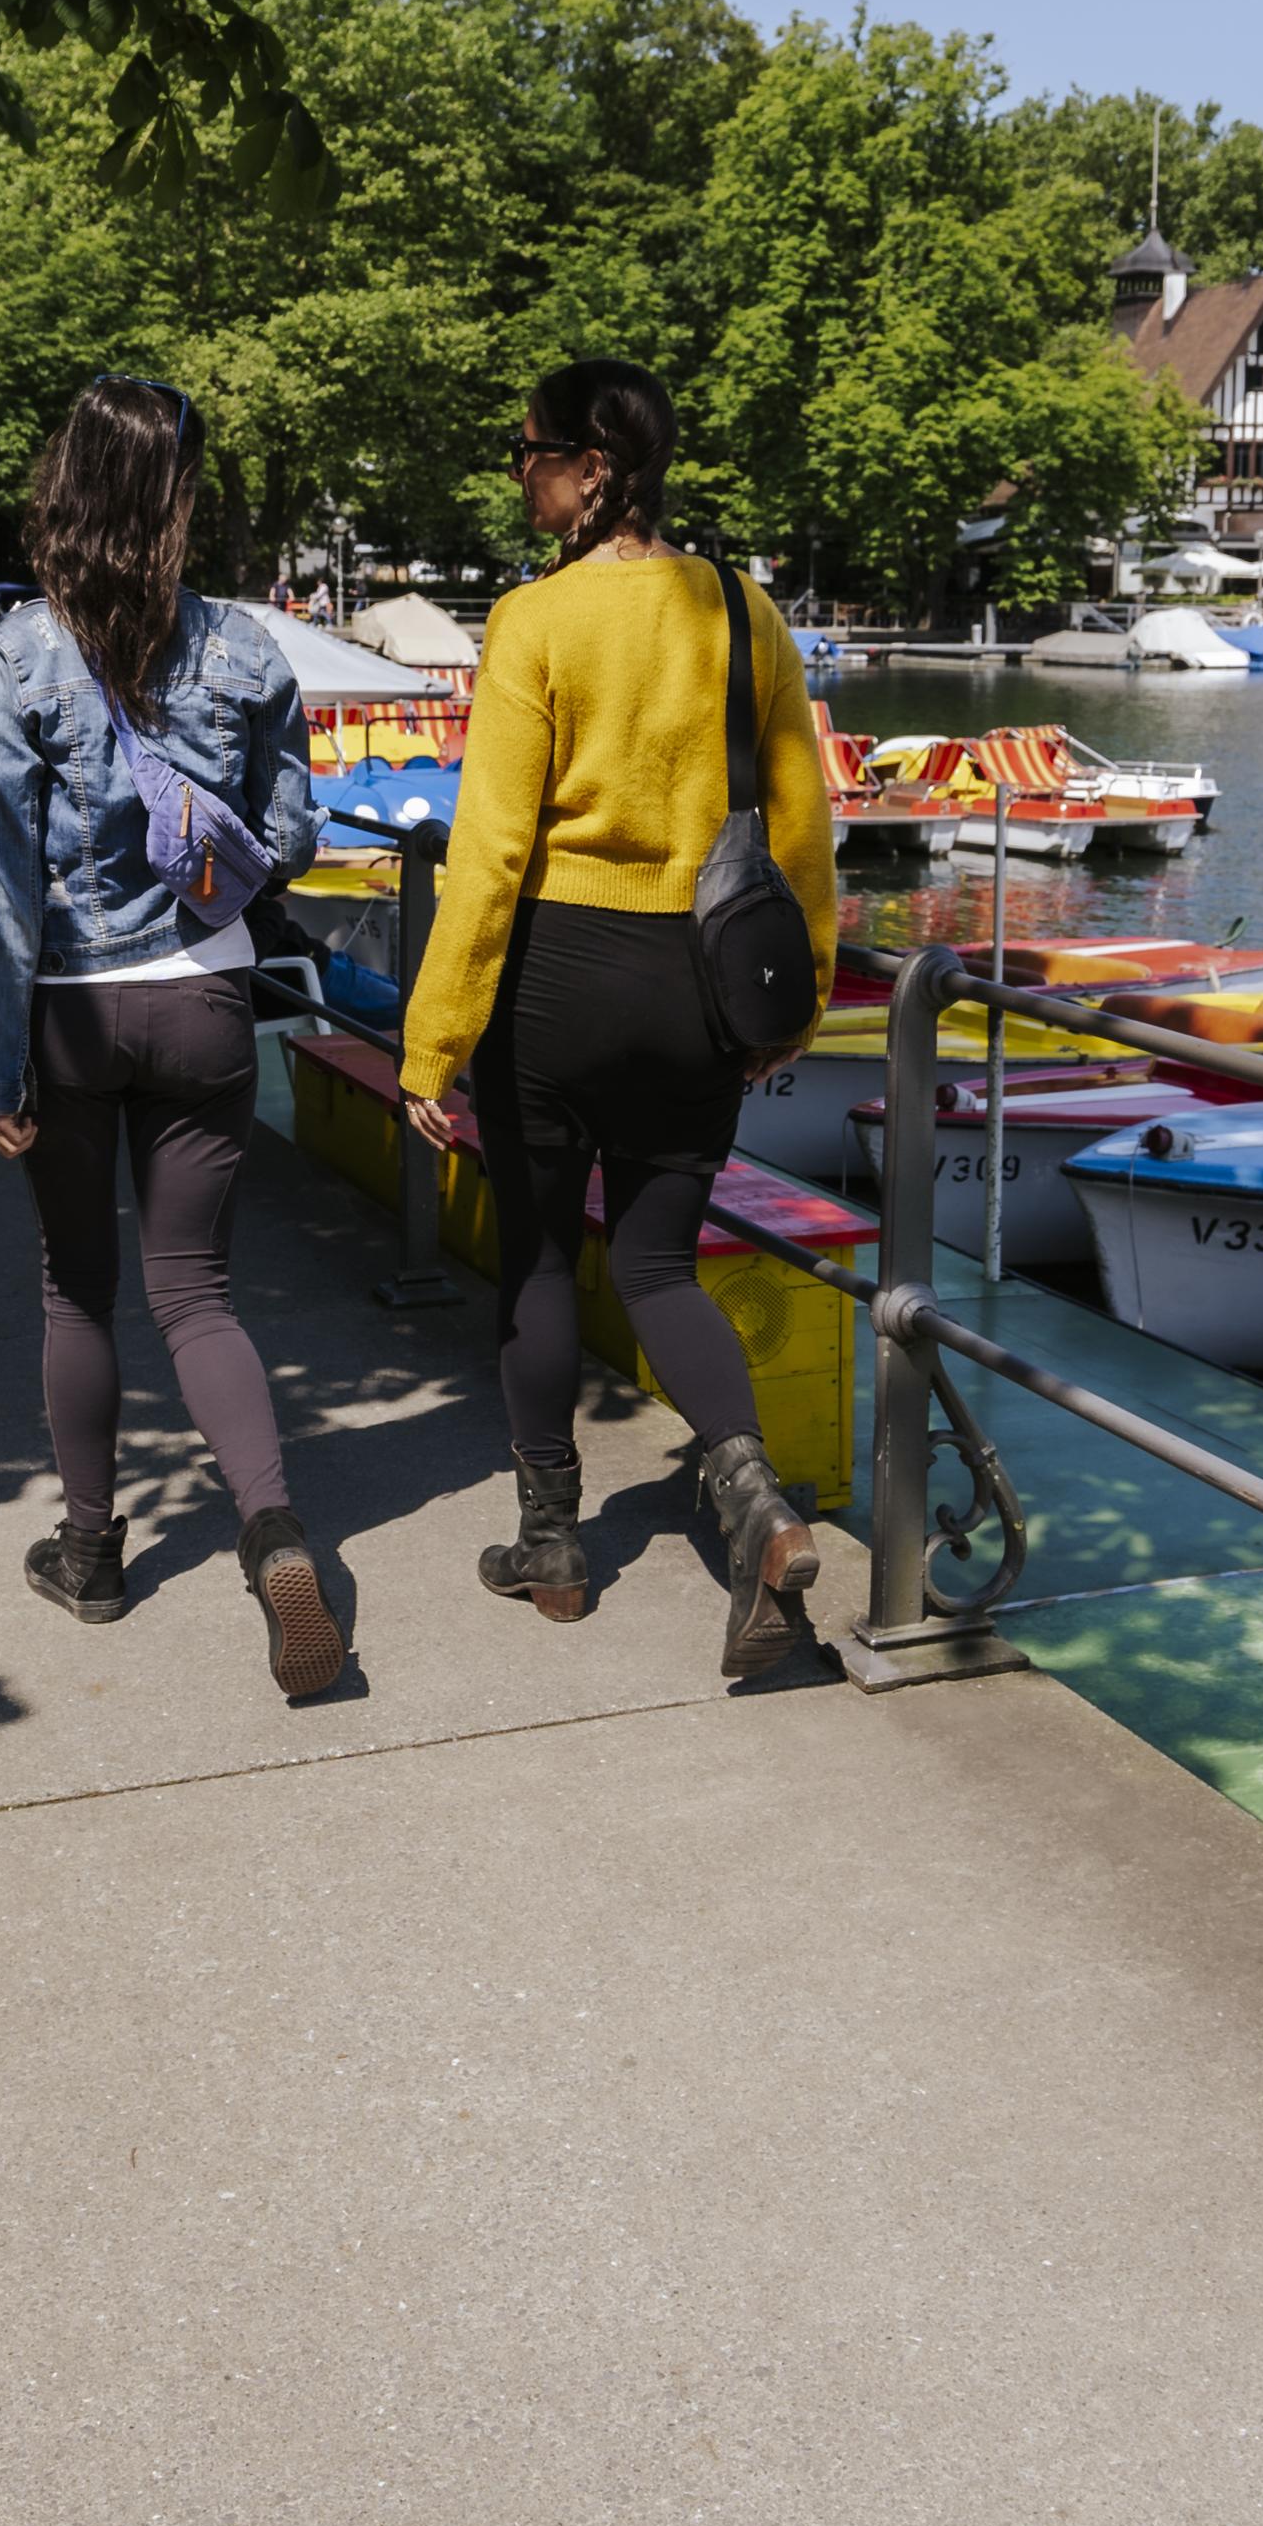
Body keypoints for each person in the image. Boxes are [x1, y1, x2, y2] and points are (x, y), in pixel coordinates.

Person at [398, 358, 837, 1676]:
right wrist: (792, 1005)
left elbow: (487, 858)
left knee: (539, 1261)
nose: (517, 468)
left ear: (596, 464)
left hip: (560, 977)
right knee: (657, 1268)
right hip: (698, 983)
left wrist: (434, 1039)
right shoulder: (740, 607)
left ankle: (552, 1545)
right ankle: (758, 1506)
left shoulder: (534, 622)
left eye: (529, 447)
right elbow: (806, 832)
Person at [0, 376, 331, 1696]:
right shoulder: (245, 649)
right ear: (178, 498)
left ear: (67, 486)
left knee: (78, 1287)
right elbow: (292, 833)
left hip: (63, 1009)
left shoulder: (11, 658)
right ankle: (275, 1530)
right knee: (198, 1289)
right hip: (205, 999)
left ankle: (93, 1552)